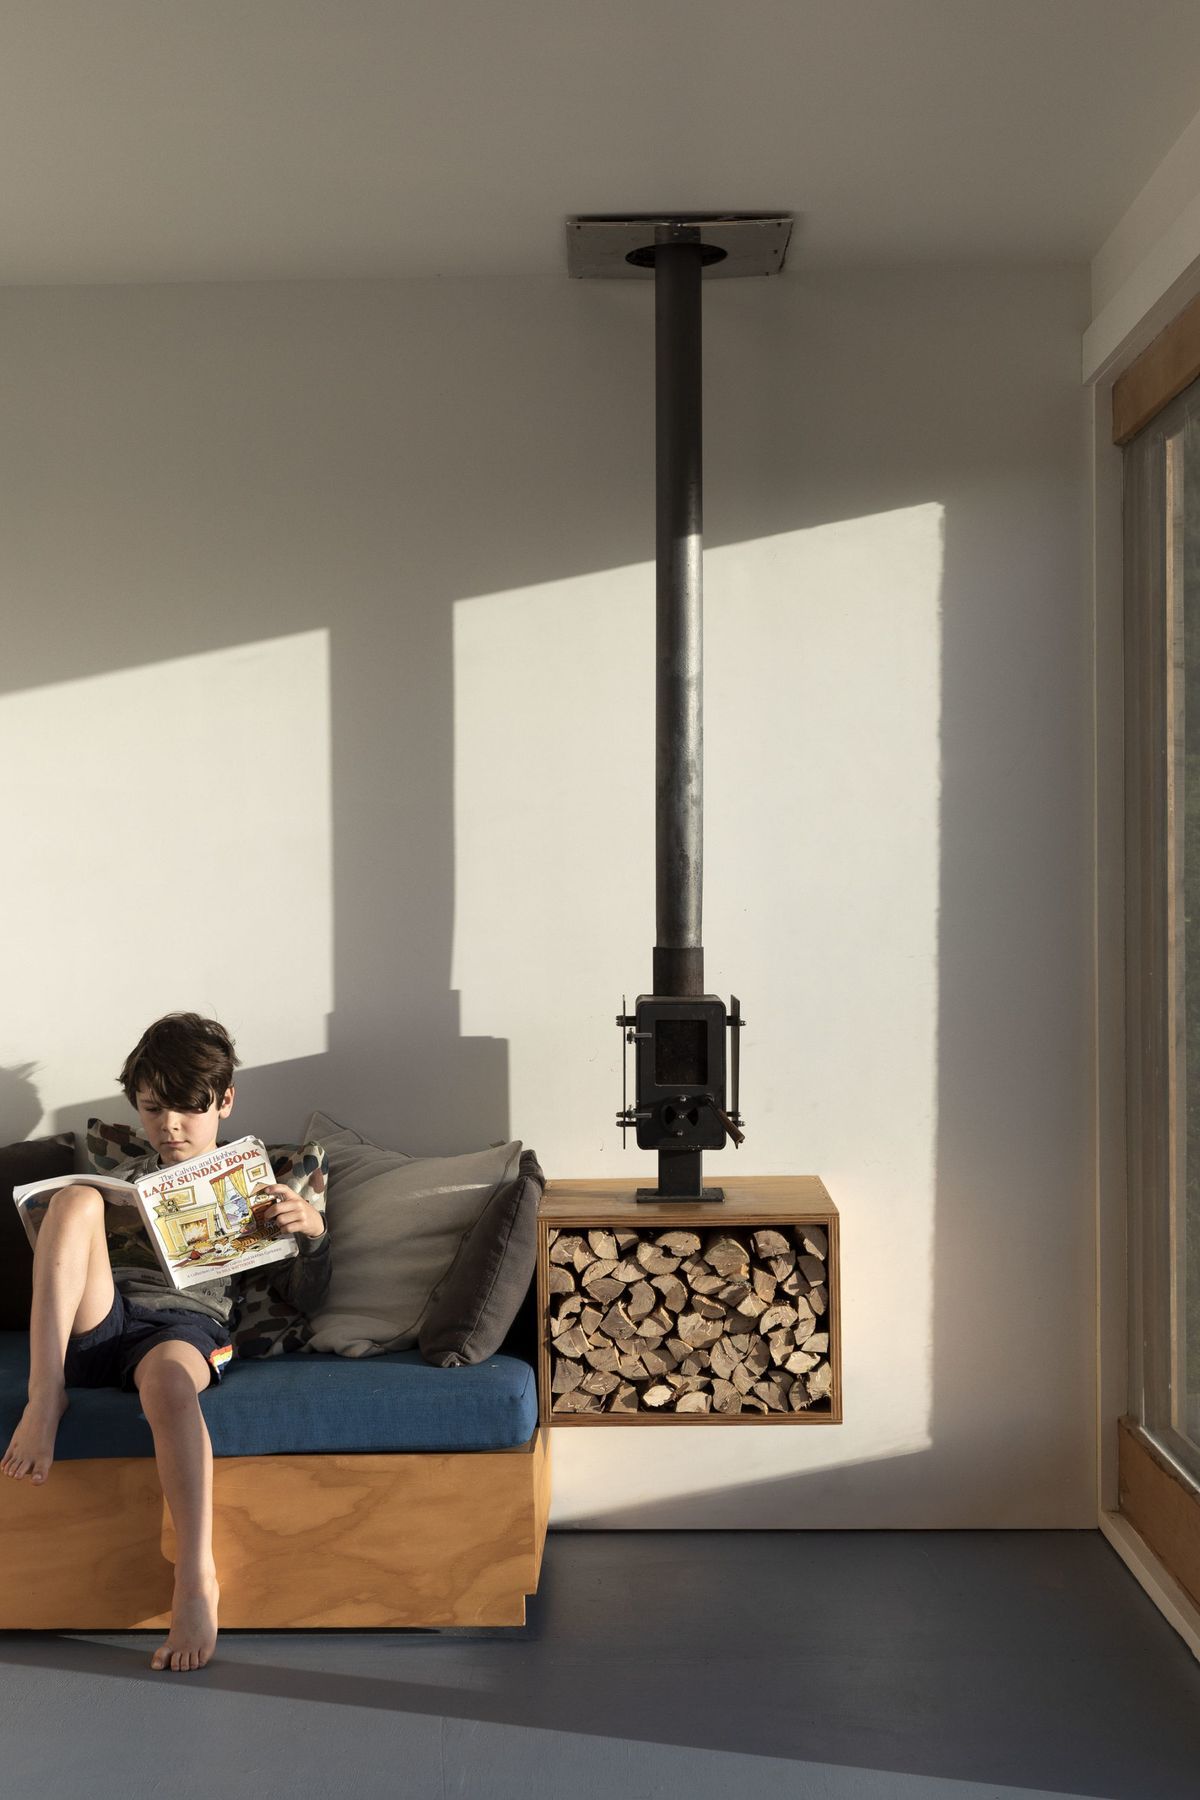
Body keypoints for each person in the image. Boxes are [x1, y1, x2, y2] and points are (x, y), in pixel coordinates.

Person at [0, 1013, 330, 1673]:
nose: (170, 1126)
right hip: (102, 1316)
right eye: (153, 1109)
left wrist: (311, 1233)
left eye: (187, 1108)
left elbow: (308, 1303)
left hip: (185, 1327)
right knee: (73, 1203)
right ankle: (46, 1396)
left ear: (225, 1100)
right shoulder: (128, 1167)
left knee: (171, 1387)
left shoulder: (270, 1179)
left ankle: (195, 1577)